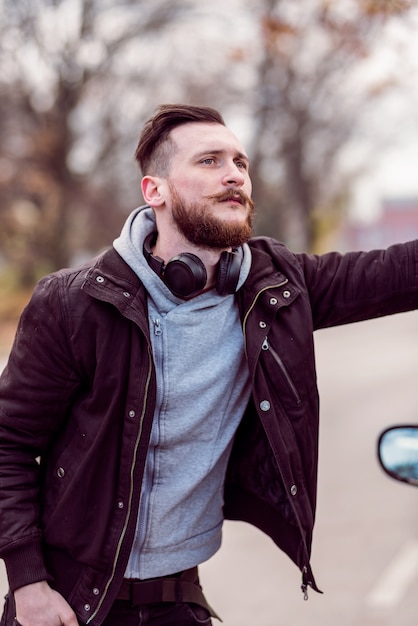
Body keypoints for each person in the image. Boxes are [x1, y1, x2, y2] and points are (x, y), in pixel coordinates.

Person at [0, 103, 417, 626]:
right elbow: (7, 443)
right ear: (156, 192)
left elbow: (397, 272)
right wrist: (28, 584)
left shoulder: (274, 287)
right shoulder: (75, 303)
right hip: (70, 601)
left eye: (240, 163)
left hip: (180, 600)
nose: (234, 175)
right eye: (210, 161)